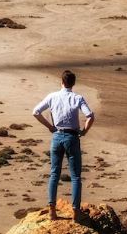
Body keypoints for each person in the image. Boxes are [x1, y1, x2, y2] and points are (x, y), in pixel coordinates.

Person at [32, 69, 94, 221]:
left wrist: (49, 126)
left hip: (57, 136)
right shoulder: (77, 98)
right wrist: (84, 131)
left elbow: (36, 112)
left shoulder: (53, 96)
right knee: (76, 177)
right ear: (73, 83)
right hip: (72, 138)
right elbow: (90, 116)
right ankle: (76, 212)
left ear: (61, 82)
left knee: (54, 174)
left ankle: (52, 211)